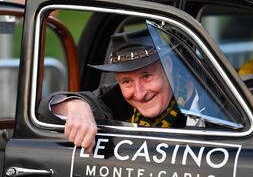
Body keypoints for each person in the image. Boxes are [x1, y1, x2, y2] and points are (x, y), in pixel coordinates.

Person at [38, 29, 199, 153]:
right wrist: (75, 106)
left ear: (168, 66)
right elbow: (44, 110)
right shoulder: (115, 99)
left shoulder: (203, 100)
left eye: (147, 76)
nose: (139, 93)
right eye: (127, 81)